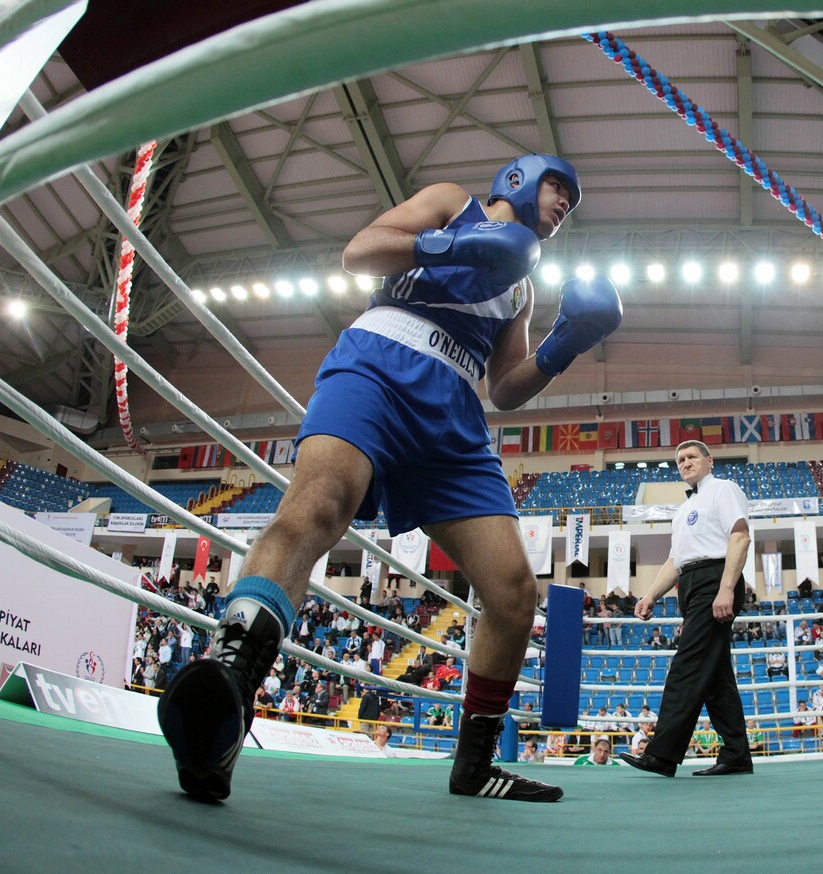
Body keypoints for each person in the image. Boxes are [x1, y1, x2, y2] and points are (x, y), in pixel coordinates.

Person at [156, 154, 621, 804]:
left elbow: (507, 389)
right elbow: (360, 252)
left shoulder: (523, 288)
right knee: (317, 505)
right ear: (519, 177)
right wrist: (451, 244)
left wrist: (563, 344)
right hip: (379, 361)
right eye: (557, 187)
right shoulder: (450, 201)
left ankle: (474, 765)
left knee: (514, 594)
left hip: (455, 412)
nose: (564, 203)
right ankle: (229, 688)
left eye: (571, 200)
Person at [619, 440, 754, 778]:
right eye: (680, 459)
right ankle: (736, 753)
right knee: (715, 678)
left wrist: (725, 588)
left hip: (715, 580)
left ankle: (662, 754)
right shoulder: (682, 511)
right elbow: (675, 561)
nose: (686, 462)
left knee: (686, 666)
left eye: (692, 456)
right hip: (691, 584)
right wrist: (650, 595)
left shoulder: (723, 489)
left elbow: (740, 537)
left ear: (709, 461)